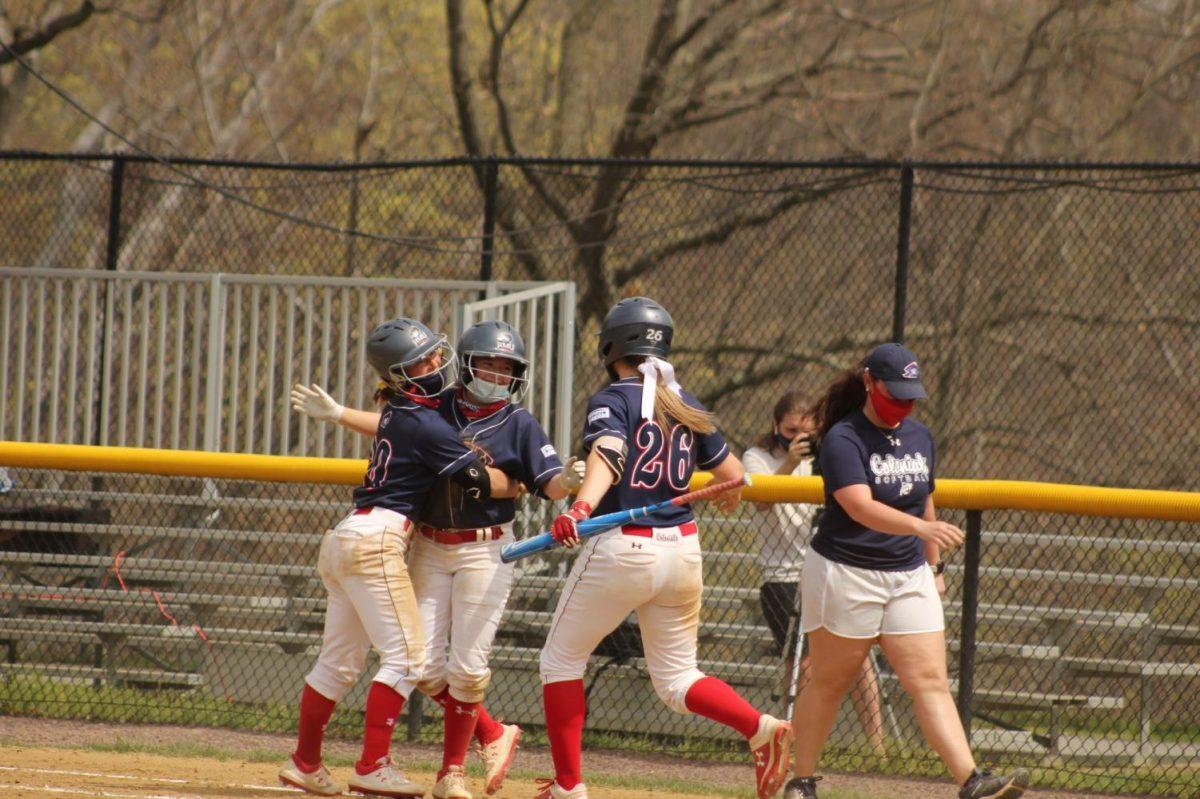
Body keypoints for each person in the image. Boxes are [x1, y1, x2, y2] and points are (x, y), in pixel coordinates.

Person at [290, 320, 586, 799]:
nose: (498, 373)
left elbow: (549, 480)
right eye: (489, 362)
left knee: (467, 669)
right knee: (421, 664)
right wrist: (514, 484)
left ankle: (452, 772)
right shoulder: (433, 405)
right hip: (426, 541)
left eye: (508, 367)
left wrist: (565, 484)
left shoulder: (518, 421)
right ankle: (487, 734)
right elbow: (417, 436)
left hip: (484, 547)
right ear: (467, 363)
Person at [535, 297, 793, 799]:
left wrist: (580, 509)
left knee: (560, 662)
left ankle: (568, 788)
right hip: (683, 550)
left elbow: (608, 453)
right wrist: (725, 500)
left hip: (623, 547)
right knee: (677, 679)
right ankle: (759, 727)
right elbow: (735, 479)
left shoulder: (614, 398)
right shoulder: (684, 401)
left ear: (612, 345)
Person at [782, 343, 1028, 799]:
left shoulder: (919, 437)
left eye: (910, 396)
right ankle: (802, 780)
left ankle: (971, 781)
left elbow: (924, 501)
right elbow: (858, 507)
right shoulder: (843, 438)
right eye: (894, 393)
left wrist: (933, 563)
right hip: (845, 571)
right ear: (870, 384)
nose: (904, 404)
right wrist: (922, 527)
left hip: (907, 571)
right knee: (832, 681)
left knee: (930, 680)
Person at [741, 392, 886, 760]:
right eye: (790, 430)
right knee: (802, 661)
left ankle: (878, 749)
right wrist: (790, 462)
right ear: (776, 426)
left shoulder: (824, 458)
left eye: (805, 432)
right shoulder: (757, 458)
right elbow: (761, 500)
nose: (797, 438)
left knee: (860, 658)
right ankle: (797, 743)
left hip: (828, 568)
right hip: (782, 575)